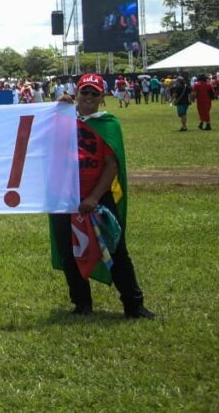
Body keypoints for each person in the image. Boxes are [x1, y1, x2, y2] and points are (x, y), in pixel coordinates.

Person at [49, 74, 154, 319]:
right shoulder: (62, 120)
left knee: (116, 249)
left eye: (94, 93)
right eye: (84, 92)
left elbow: (111, 165)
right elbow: (34, 131)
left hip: (97, 196)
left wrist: (94, 197)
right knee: (69, 252)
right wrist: (57, 108)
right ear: (77, 92)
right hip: (63, 196)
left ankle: (134, 305)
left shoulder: (108, 124)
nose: (88, 97)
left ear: (102, 96)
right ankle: (82, 304)